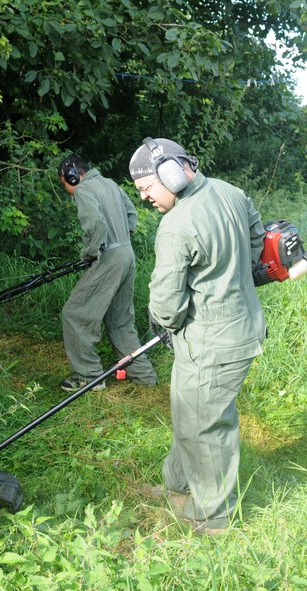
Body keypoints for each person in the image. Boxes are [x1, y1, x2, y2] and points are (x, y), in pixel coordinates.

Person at [129, 137, 266, 535]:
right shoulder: (230, 191)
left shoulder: (176, 226)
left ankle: (214, 517)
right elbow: (257, 242)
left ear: (169, 173)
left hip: (213, 343)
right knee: (187, 410)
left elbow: (167, 307)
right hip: (237, 331)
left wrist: (164, 318)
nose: (146, 199)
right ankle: (179, 486)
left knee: (207, 427)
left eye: (146, 189)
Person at [58, 154, 157, 392]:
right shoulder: (111, 184)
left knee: (76, 314)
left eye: (65, 184)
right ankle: (144, 375)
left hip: (108, 258)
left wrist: (91, 253)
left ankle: (88, 376)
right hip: (127, 255)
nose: (68, 190)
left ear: (72, 175)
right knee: (120, 319)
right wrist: (122, 238)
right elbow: (132, 215)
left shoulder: (84, 190)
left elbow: (95, 225)